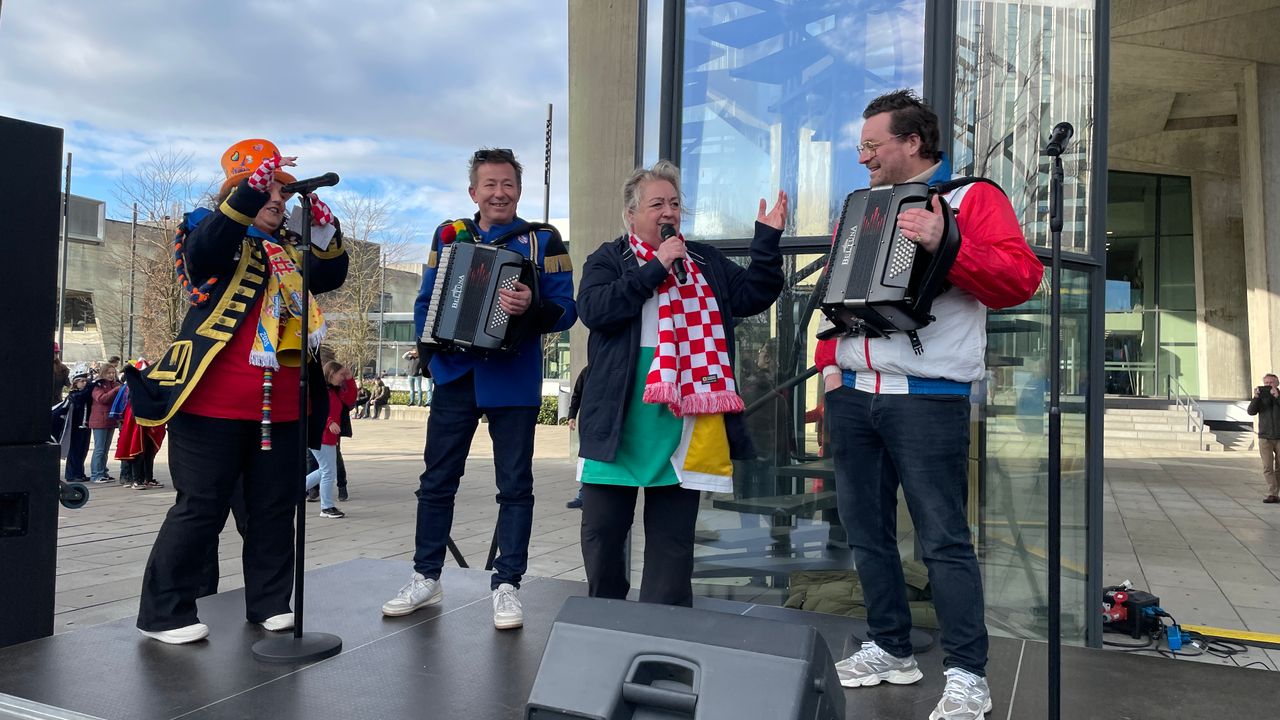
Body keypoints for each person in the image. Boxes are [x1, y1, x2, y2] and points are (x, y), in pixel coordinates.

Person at [814, 90, 1042, 720]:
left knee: (943, 539)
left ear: (912, 142)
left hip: (928, 395)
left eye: (871, 145)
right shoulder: (860, 208)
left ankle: (969, 674)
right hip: (857, 395)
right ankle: (891, 648)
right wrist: (833, 370)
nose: (863, 158)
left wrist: (950, 242)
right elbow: (844, 298)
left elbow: (1021, 279)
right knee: (866, 532)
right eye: (861, 146)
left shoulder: (973, 199)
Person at [124, 138, 349, 644]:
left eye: (282, 193)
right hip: (210, 406)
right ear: (239, 192)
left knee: (274, 508)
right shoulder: (207, 228)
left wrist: (322, 230)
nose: (277, 199)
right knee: (199, 508)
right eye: (266, 190)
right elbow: (205, 255)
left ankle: (270, 602)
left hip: (283, 406)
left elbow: (330, 275)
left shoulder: (291, 251)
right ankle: (164, 612)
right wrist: (248, 192)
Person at [575, 159, 787, 607]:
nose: (668, 212)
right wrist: (655, 268)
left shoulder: (705, 260)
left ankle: (663, 631)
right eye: (657, 204)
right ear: (632, 214)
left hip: (683, 415)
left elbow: (753, 294)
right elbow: (595, 311)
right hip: (619, 414)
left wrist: (766, 243)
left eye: (674, 203)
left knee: (672, 541)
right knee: (603, 532)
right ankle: (604, 620)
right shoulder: (610, 258)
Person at [382, 147, 576, 630]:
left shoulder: (544, 240)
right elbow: (428, 299)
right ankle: (426, 575)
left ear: (519, 191)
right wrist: (429, 356)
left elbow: (568, 309)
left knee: (515, 486)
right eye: (489, 185)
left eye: (507, 184)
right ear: (474, 192)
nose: (499, 193)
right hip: (455, 372)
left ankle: (508, 583)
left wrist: (531, 306)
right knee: (436, 481)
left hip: (513, 376)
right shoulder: (449, 235)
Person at [306, 360, 357, 518]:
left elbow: (350, 399)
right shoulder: (321, 391)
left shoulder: (333, 391)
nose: (343, 377)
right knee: (328, 471)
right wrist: (329, 422)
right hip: (321, 435)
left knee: (325, 470)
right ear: (331, 374)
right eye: (341, 374)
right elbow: (313, 410)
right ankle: (326, 507)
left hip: (326, 435)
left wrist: (350, 379)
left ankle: (294, 491)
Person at [87, 362, 123, 484]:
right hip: (99, 421)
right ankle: (96, 474)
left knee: (106, 449)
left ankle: (103, 472)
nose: (111, 375)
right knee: (99, 449)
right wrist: (115, 391)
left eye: (113, 373)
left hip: (110, 420)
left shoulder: (117, 384)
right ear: (103, 373)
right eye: (109, 373)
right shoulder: (98, 385)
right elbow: (102, 399)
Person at [58, 364, 94, 482]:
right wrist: (90, 385)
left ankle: (79, 472)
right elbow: (82, 397)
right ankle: (71, 474)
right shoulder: (73, 395)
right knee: (75, 450)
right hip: (75, 427)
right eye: (81, 381)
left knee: (83, 450)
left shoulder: (85, 393)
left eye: (85, 381)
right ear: (75, 383)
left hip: (85, 425)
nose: (84, 383)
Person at [1248, 373, 1280, 503]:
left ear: (1277, 383)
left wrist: (1277, 397)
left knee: (1279, 467)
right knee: (1267, 467)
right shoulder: (1260, 398)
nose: (1268, 385)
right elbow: (1251, 411)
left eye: (1271, 382)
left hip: (1279, 437)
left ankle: (1276, 491)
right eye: (1266, 383)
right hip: (1265, 437)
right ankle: (1272, 493)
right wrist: (1255, 398)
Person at [564, 367, 589, 509]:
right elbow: (577, 394)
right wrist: (572, 415)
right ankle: (583, 495)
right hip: (589, 422)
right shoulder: (587, 371)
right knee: (585, 458)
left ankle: (586, 495)